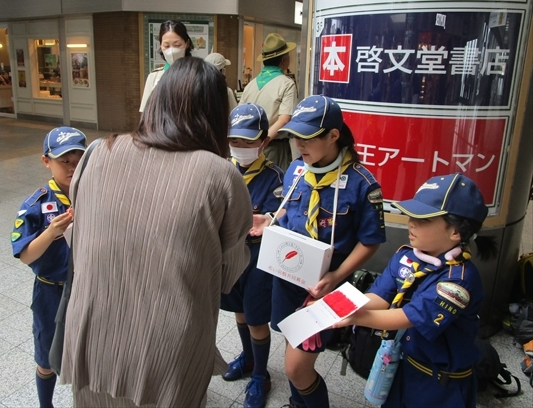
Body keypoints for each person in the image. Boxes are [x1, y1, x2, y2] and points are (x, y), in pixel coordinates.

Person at [60, 57, 253, 408]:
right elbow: (228, 273)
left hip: (93, 333)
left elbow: (79, 234)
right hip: (167, 347)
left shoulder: (95, 152)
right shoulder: (221, 175)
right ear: (216, 115)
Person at [251, 95, 387, 408]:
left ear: (334, 135)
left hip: (329, 289)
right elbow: (290, 214)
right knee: (292, 349)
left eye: (308, 137)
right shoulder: (296, 171)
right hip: (288, 280)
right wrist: (270, 218)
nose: (299, 144)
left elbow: (371, 241)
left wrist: (337, 275)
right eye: (296, 136)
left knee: (296, 368)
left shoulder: (362, 183)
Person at [333, 173, 497, 408]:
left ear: (456, 232)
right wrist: (337, 303)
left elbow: (405, 317)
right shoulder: (406, 256)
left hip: (440, 384)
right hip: (403, 365)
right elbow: (380, 296)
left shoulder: (457, 282)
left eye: (424, 219)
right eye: (411, 215)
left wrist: (354, 317)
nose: (411, 223)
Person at [11, 126, 87, 408]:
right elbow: (26, 256)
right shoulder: (38, 203)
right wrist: (51, 231)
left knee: (85, 352)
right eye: (63, 161)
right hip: (50, 293)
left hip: (86, 288)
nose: (72, 167)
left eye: (78, 160)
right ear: (46, 161)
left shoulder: (93, 195)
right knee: (46, 357)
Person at [220, 103, 283, 408]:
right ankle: (247, 358)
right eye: (235, 142)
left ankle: (260, 374)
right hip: (230, 255)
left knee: (257, 319)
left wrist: (271, 218)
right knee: (239, 311)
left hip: (260, 259)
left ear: (264, 141)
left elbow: (286, 217)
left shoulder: (277, 178)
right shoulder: (222, 170)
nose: (241, 148)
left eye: (248, 142)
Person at [240, 33, 298, 171]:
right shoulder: (286, 84)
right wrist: (264, 141)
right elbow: (284, 119)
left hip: (249, 147)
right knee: (275, 185)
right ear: (284, 60)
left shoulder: (251, 85)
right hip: (275, 147)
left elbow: (240, 117)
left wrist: (252, 144)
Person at [139, 20, 193, 112]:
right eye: (166, 46)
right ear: (160, 45)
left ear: (187, 44)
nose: (172, 50)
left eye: (177, 45)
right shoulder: (154, 77)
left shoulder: (197, 74)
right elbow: (146, 114)